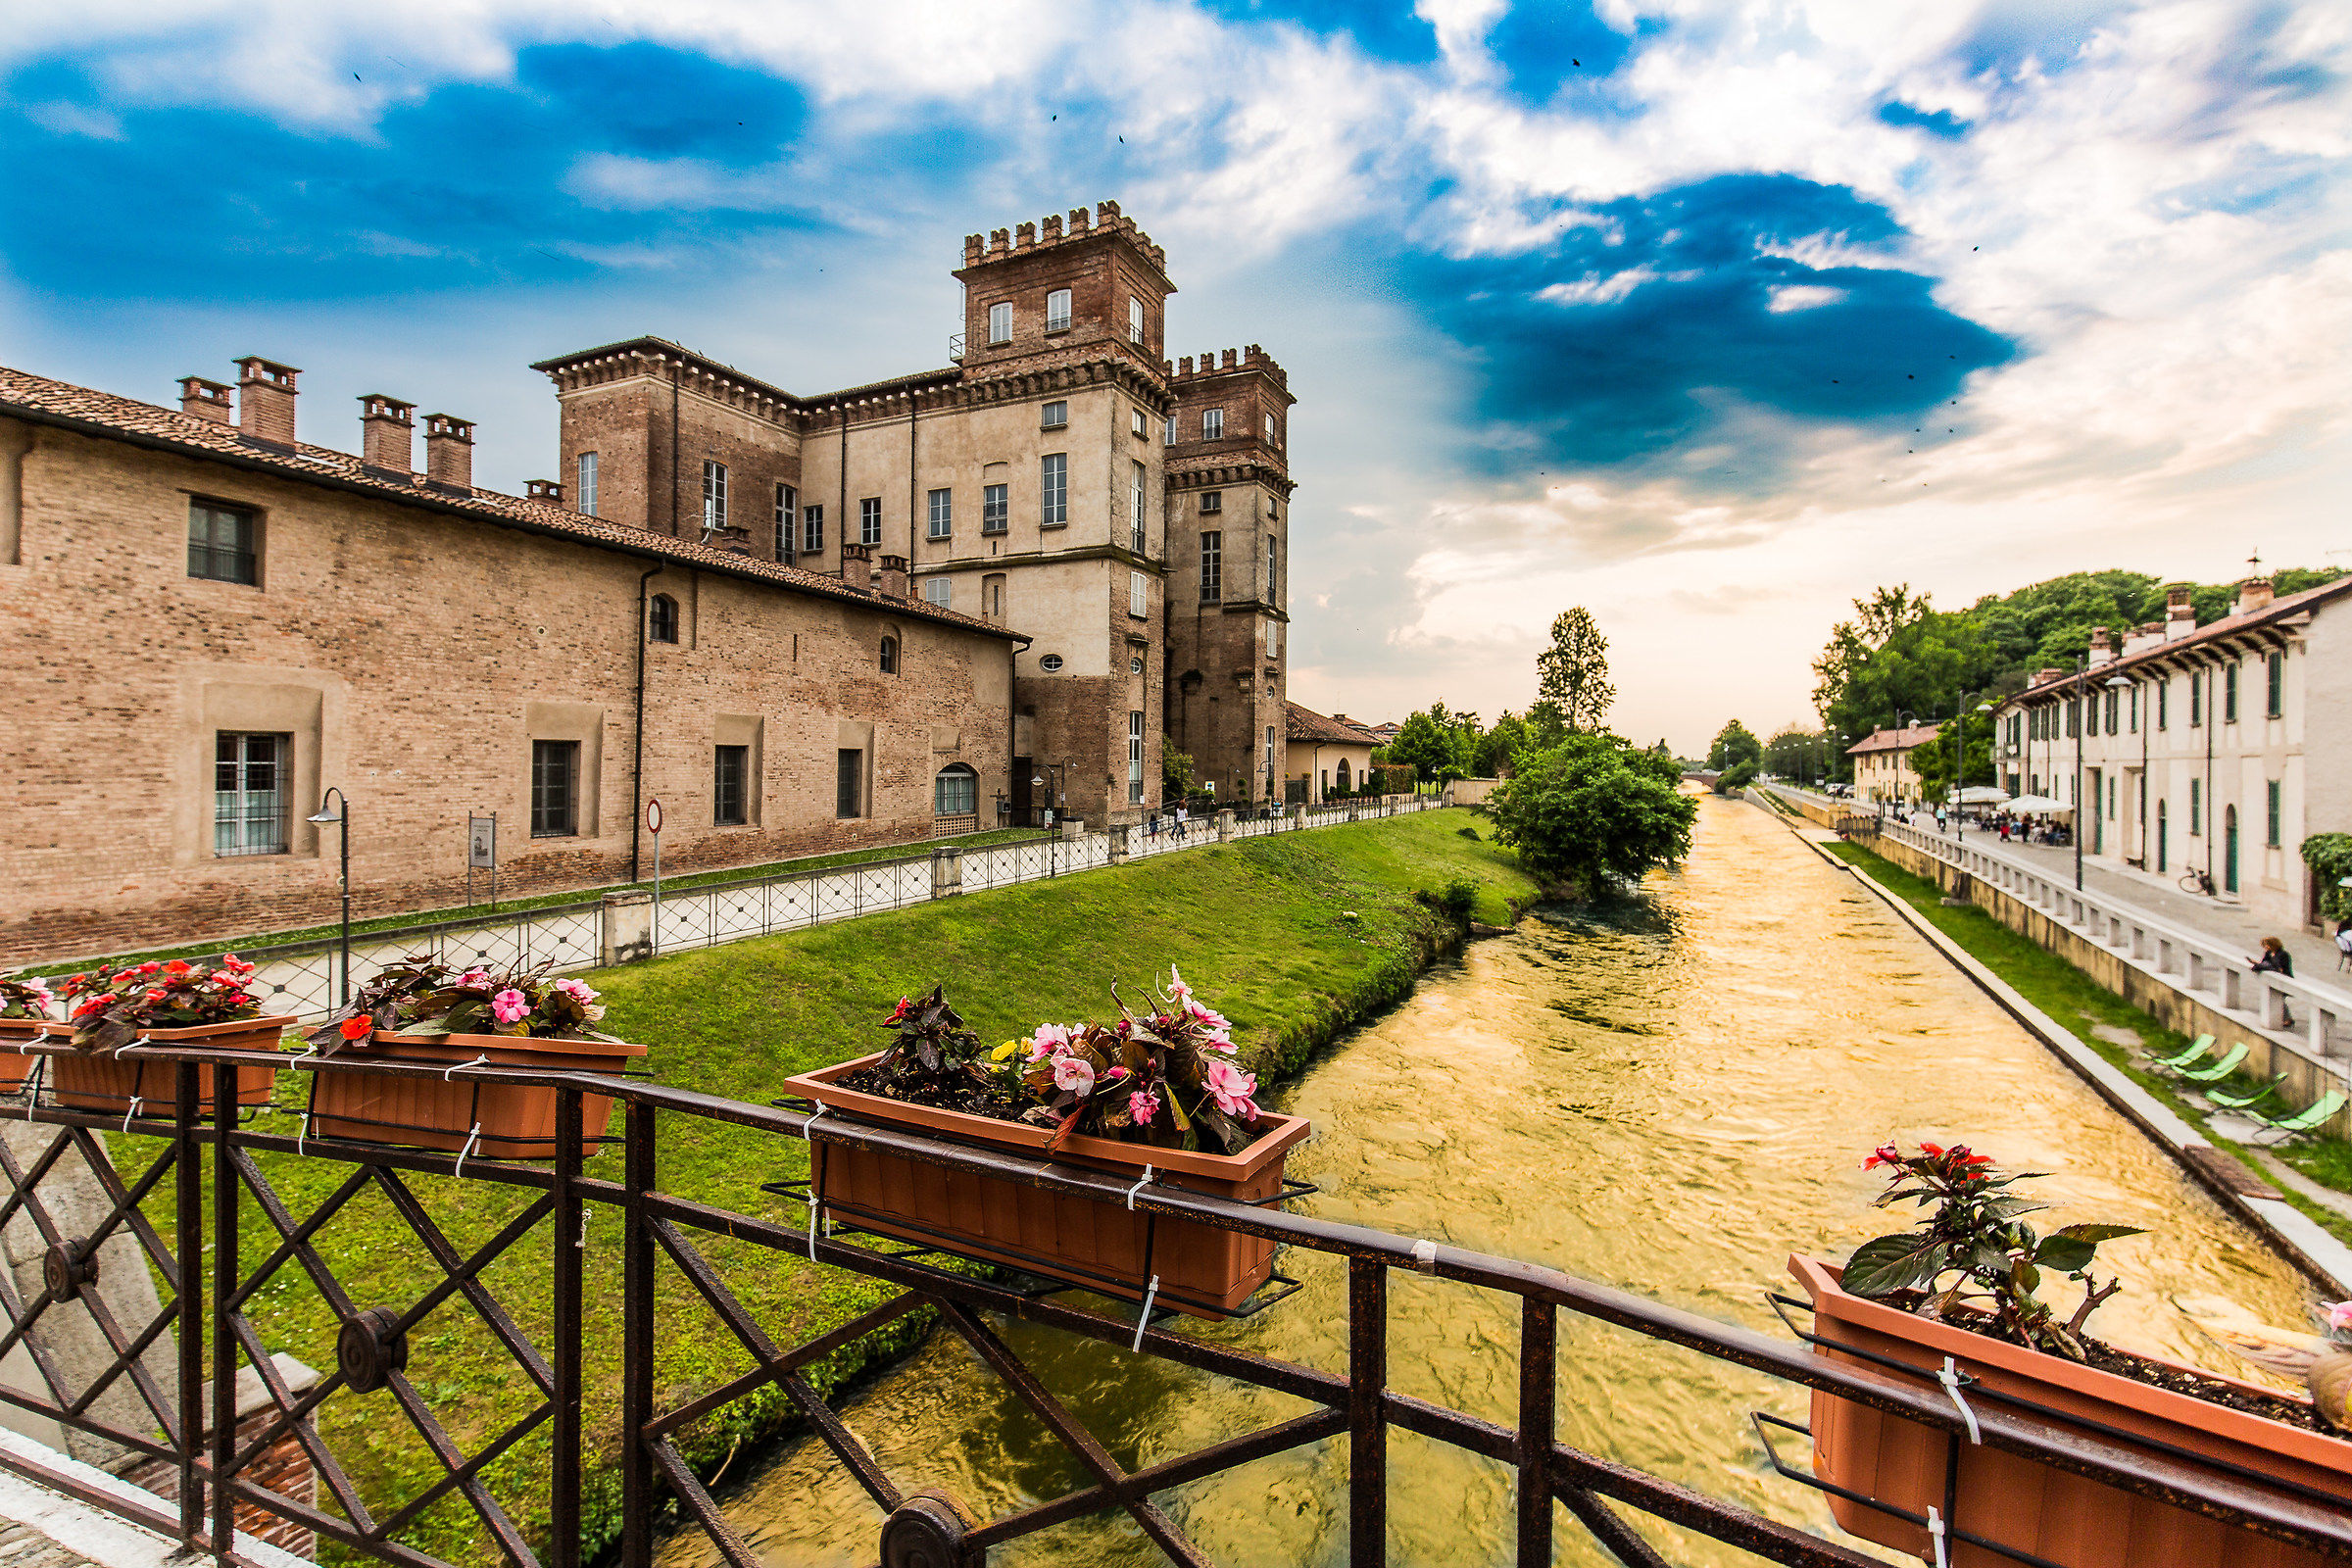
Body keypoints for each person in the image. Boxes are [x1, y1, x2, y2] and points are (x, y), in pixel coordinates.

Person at [2248, 937, 2296, 1027]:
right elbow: (2265, 963)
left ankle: (2287, 1019)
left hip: (2284, 979)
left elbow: (2280, 968)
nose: (2266, 948)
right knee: (2278, 999)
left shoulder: (2283, 954)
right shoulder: (2269, 953)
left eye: (2267, 946)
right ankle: (2286, 1018)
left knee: (2280, 999)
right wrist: (2257, 964)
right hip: (2273, 978)